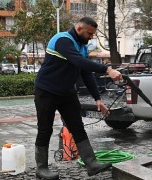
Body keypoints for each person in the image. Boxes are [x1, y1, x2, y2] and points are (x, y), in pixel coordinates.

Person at [34, 17, 122, 179]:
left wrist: (97, 98)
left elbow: (86, 73)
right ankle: (41, 168)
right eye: (89, 33)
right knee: (45, 128)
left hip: (67, 93)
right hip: (46, 91)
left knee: (77, 127)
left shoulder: (81, 47)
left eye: (93, 34)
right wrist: (107, 70)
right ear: (79, 29)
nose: (91, 37)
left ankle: (91, 164)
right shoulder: (62, 40)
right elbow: (78, 62)